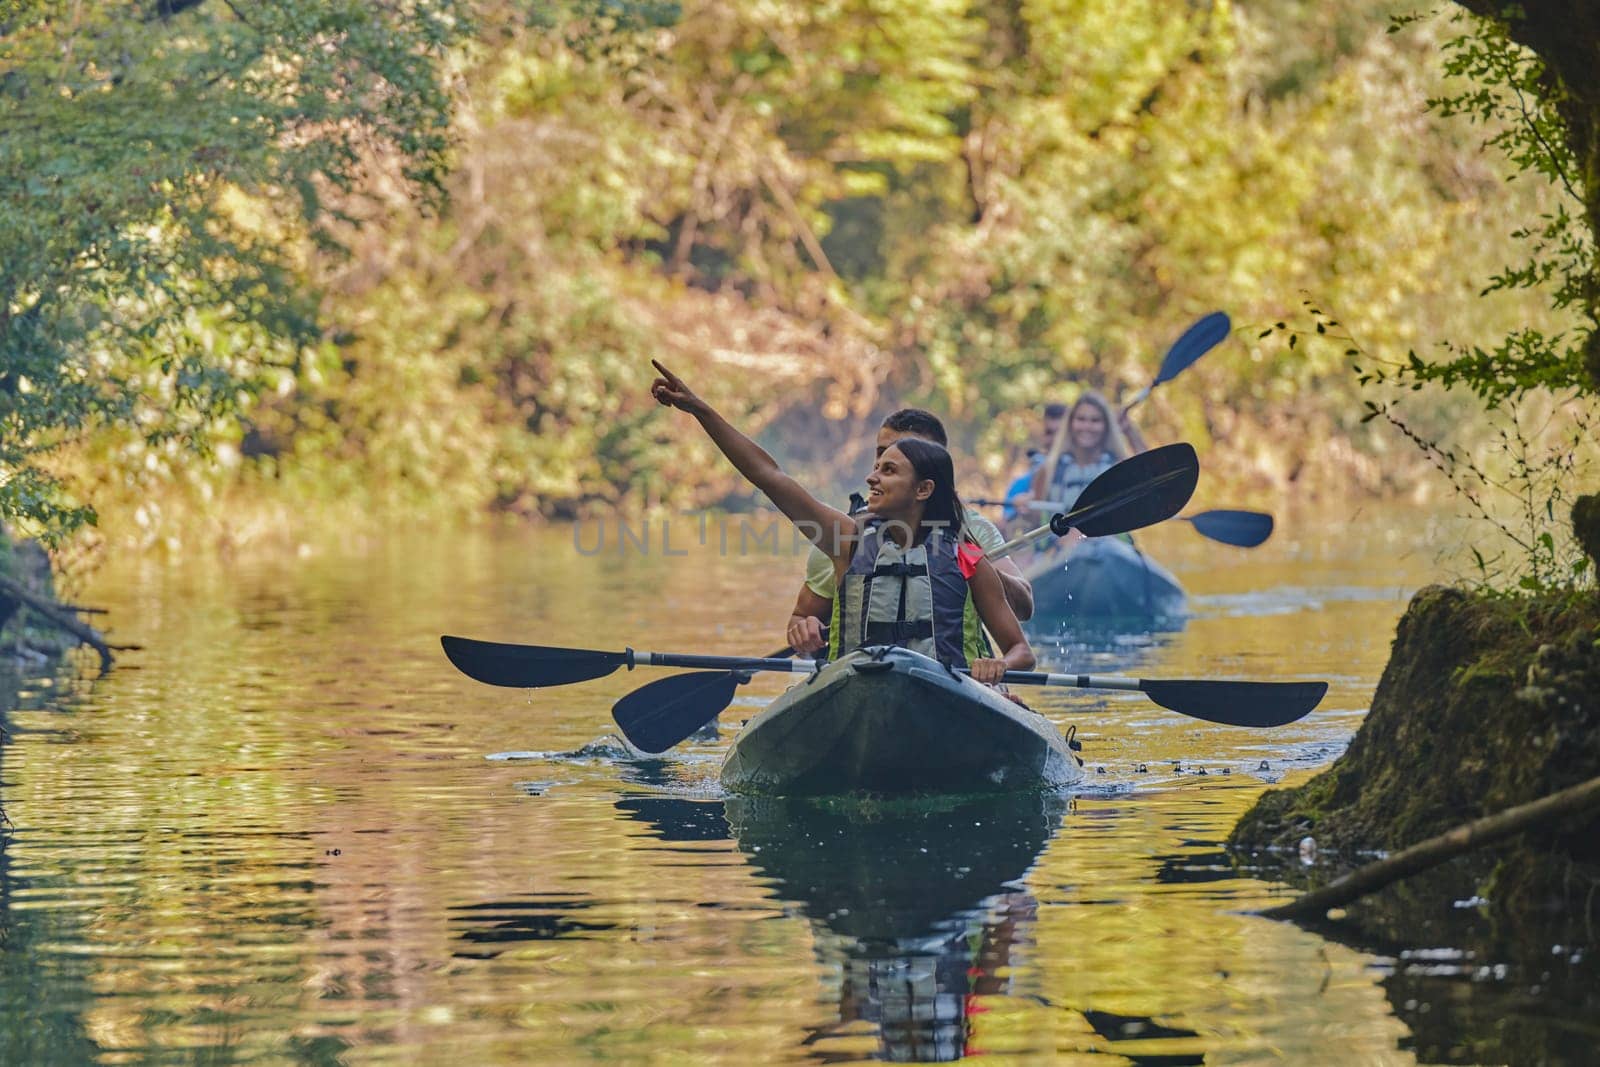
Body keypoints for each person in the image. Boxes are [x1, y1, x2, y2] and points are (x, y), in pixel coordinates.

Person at [650, 360, 1034, 682]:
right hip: (856, 687)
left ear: (923, 489)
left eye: (889, 469)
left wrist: (1000, 665)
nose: (871, 476)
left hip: (946, 690)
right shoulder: (846, 540)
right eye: (877, 462)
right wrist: (702, 411)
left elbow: (1021, 651)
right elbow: (770, 476)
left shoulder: (969, 554)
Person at [785, 409, 1034, 657]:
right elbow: (800, 621)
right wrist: (804, 632)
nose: (879, 466)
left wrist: (966, 563)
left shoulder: (973, 534)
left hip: (953, 678)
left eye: (906, 450)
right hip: (863, 676)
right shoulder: (845, 537)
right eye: (881, 453)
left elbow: (1023, 608)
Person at [1024, 390, 1146, 514]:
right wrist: (1025, 506)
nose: (1087, 426)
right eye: (1081, 419)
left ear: (1106, 426)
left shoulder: (1117, 467)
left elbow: (1149, 479)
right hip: (1062, 534)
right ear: (1070, 423)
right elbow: (1034, 519)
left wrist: (1130, 432)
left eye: (1095, 420)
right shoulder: (1050, 469)